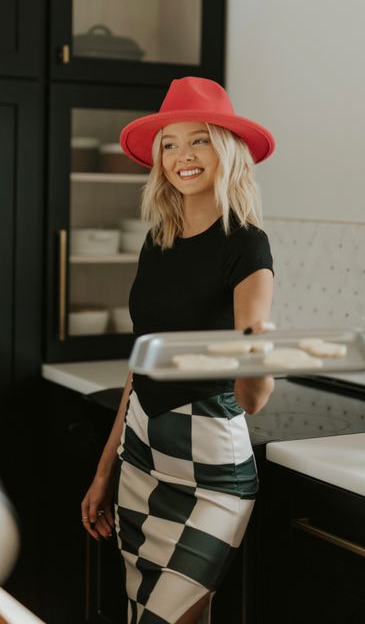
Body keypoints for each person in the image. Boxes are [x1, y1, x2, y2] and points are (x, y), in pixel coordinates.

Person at [81, 76, 276, 624]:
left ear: (227, 151)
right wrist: (104, 471)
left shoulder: (246, 243)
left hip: (210, 466)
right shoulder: (158, 238)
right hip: (142, 454)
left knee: (173, 616)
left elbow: (254, 398)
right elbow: (142, 364)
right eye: (170, 143)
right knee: (140, 612)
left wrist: (258, 353)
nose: (182, 156)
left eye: (199, 139)